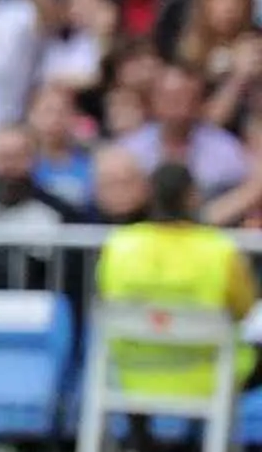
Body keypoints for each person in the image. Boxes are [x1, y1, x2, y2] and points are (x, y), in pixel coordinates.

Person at [93, 163, 258, 401]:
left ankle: (139, 437)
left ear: (149, 194)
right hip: (208, 374)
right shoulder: (219, 249)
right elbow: (244, 309)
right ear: (192, 196)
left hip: (131, 374)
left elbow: (106, 297)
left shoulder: (119, 245)